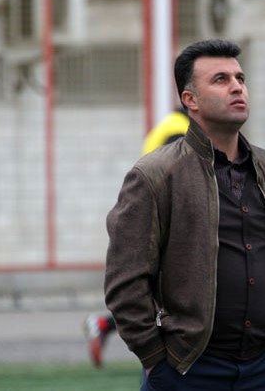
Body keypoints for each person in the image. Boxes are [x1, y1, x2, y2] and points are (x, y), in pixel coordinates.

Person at [105, 39, 265, 390]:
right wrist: (155, 359)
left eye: (240, 78)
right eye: (220, 79)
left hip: (264, 368)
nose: (236, 87)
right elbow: (125, 281)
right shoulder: (155, 176)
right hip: (187, 370)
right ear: (190, 100)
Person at [84, 109, 190, 368]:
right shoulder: (179, 132)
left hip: (155, 219)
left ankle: (104, 325)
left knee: (153, 295)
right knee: (163, 296)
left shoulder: (168, 125)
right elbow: (179, 177)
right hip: (165, 223)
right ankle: (113, 329)